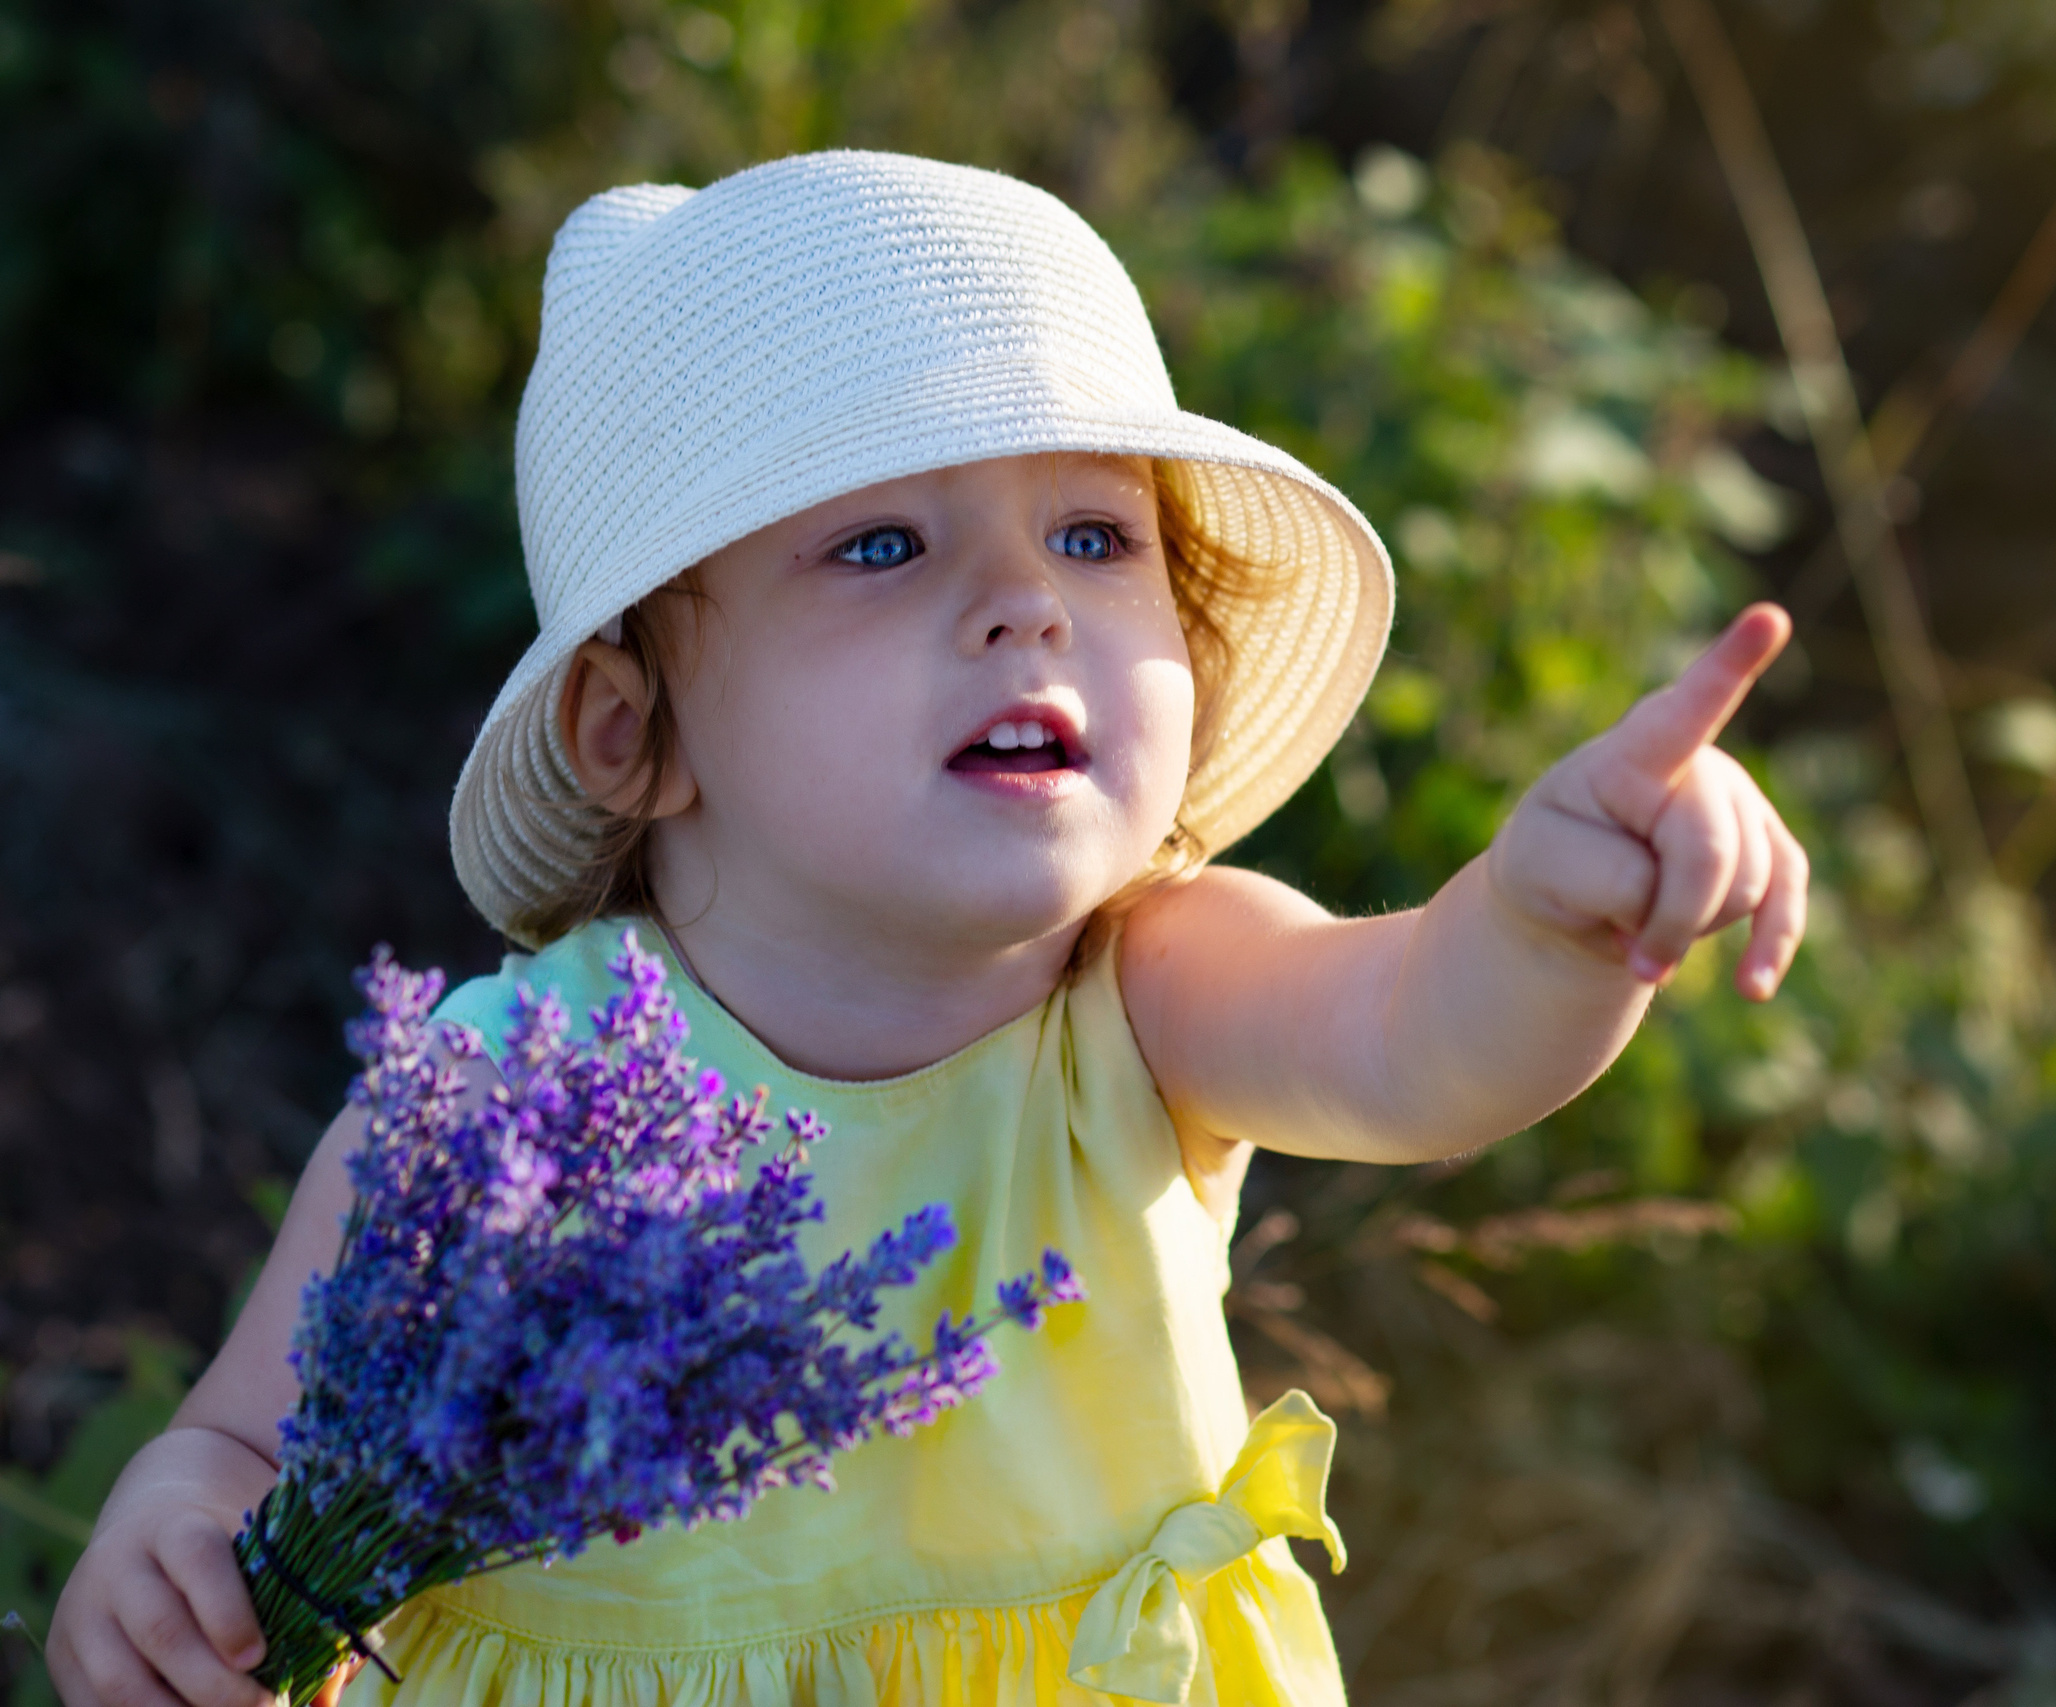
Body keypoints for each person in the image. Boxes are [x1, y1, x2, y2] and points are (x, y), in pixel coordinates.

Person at [47, 151, 1809, 1707]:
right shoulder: (507, 1101)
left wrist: (1545, 921)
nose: (1025, 604)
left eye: (1096, 534)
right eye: (883, 545)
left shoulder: (1155, 994)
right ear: (632, 728)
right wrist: (178, 1537)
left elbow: (1420, 1038)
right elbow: (250, 1437)